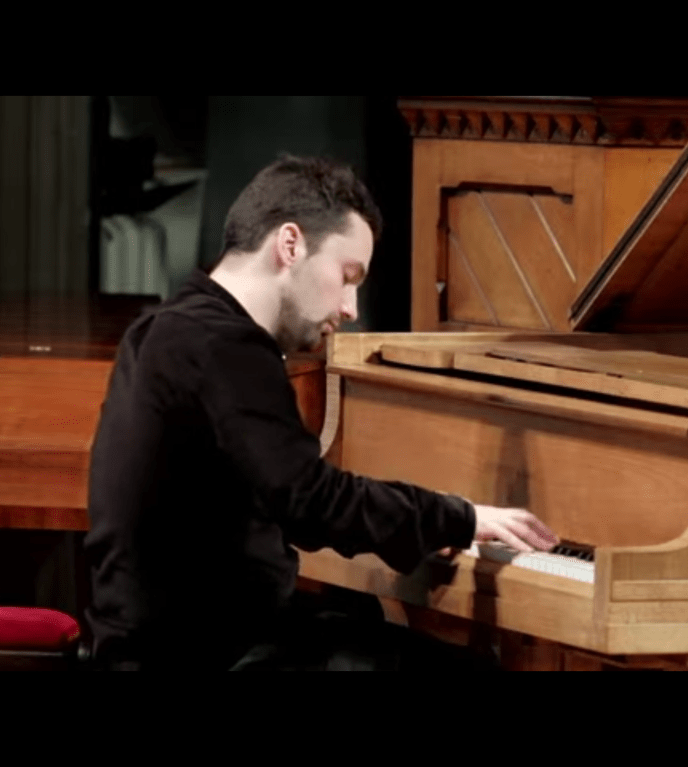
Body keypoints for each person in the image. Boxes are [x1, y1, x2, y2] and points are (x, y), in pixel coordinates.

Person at [83, 154, 560, 671]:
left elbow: (291, 506)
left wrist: (410, 527)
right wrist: (456, 517)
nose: (351, 307)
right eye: (348, 275)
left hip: (173, 642)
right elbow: (312, 502)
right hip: (201, 654)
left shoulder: (168, 328)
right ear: (290, 244)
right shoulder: (225, 346)